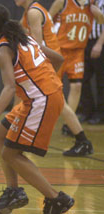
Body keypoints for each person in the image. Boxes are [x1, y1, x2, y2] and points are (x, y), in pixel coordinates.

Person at [0, 4, 74, 214]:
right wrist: (44, 81)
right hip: (43, 96)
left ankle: (56, 198)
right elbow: (58, 59)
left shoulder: (3, 50)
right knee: (0, 134)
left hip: (41, 100)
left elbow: (10, 87)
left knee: (11, 154)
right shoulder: (25, 38)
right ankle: (13, 192)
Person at [16, 0, 94, 157]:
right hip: (52, 55)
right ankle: (81, 140)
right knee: (48, 99)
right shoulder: (32, 11)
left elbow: (36, 45)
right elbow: (21, 30)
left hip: (49, 58)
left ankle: (82, 140)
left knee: (57, 101)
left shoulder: (34, 12)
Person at [49, 0, 104, 134]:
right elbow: (47, 19)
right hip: (60, 50)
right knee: (51, 89)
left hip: (77, 51)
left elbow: (101, 22)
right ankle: (41, 118)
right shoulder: (63, 1)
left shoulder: (92, 5)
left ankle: (69, 122)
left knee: (77, 86)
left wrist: (99, 14)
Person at [79, 0, 104, 125]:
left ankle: (100, 114)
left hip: (99, 42)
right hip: (84, 42)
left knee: (101, 80)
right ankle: (86, 111)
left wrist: (99, 44)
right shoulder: (83, 3)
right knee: (82, 78)